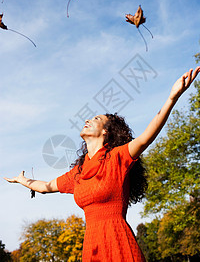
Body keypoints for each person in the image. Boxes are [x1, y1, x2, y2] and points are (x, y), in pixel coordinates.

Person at [4, 67, 200, 262]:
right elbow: (45, 187)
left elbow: (147, 137)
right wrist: (23, 180)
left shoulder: (117, 158)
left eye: (96, 118)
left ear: (106, 131)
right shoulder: (78, 174)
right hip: (92, 248)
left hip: (119, 242)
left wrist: (172, 98)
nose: (88, 119)